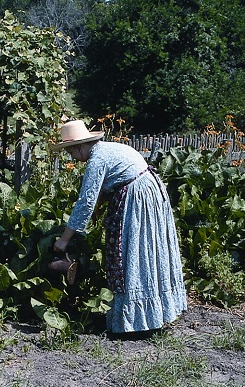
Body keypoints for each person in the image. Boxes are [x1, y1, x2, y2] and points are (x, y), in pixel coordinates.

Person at [49, 119, 187, 336]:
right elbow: (112, 182)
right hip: (150, 192)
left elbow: (85, 202)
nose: (71, 158)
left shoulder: (97, 160)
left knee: (131, 254)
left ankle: (136, 323)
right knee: (148, 252)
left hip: (137, 199)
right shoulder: (110, 148)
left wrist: (64, 240)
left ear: (78, 147)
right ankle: (155, 315)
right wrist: (99, 206)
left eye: (70, 152)